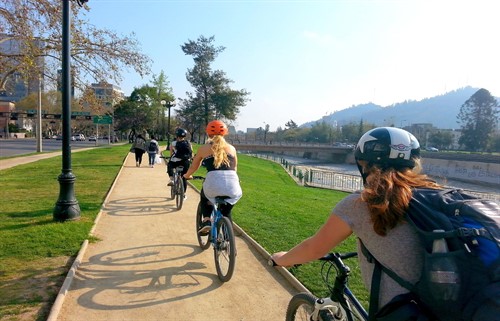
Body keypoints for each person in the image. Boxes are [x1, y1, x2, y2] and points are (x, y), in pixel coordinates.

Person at [271, 127, 446, 314]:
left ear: (366, 164)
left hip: (403, 312)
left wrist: (282, 259)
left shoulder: (362, 203)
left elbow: (314, 248)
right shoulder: (437, 196)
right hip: (449, 306)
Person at [183, 120, 242, 234]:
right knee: (226, 211)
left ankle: (206, 220)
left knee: (205, 196)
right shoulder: (232, 149)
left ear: (208, 133)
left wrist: (187, 175)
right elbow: (234, 168)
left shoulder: (203, 148)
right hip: (232, 185)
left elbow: (194, 166)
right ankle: (227, 238)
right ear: (225, 133)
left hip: (213, 184)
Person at [167, 128, 193, 193]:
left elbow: (171, 153)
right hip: (185, 162)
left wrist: (171, 157)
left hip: (175, 162)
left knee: (170, 165)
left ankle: (172, 179)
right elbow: (191, 152)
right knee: (184, 177)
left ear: (177, 135)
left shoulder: (173, 143)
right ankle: (183, 194)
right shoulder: (189, 143)